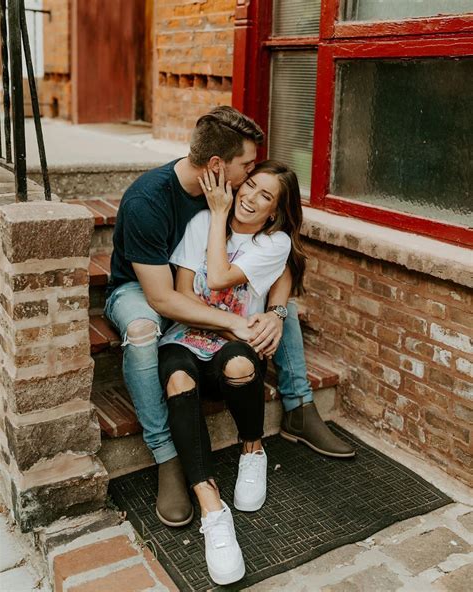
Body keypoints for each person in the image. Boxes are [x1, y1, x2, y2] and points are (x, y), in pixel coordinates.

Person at [105, 105, 353, 528]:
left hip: (205, 293)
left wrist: (274, 312)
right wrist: (238, 323)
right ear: (217, 165)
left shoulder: (228, 197)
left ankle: (297, 406)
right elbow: (164, 300)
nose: (251, 177)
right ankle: (167, 456)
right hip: (144, 289)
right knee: (144, 330)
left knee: (278, 309)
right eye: (248, 166)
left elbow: (283, 259)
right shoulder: (150, 200)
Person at [158, 161, 306, 585]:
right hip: (186, 338)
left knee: (242, 365)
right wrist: (215, 216)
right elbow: (184, 294)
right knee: (178, 380)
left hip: (234, 345)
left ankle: (253, 450)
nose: (250, 197)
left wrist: (221, 213)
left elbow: (220, 278)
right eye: (251, 185)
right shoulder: (202, 221)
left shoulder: (273, 244)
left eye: (265, 196)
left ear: (275, 212)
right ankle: (212, 509)